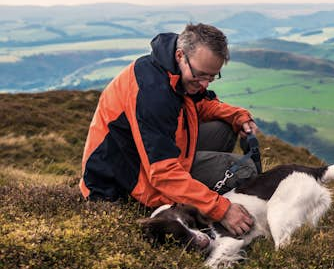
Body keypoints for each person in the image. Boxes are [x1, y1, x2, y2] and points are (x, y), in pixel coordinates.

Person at [80, 23, 257, 236]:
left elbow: (202, 103)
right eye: (201, 75)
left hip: (150, 160)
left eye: (212, 77)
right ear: (181, 55)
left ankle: (196, 196)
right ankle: (212, 214)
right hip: (123, 184)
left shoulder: (175, 70)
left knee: (223, 127)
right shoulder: (152, 93)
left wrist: (237, 115)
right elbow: (162, 172)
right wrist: (222, 209)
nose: (204, 84)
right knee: (245, 171)